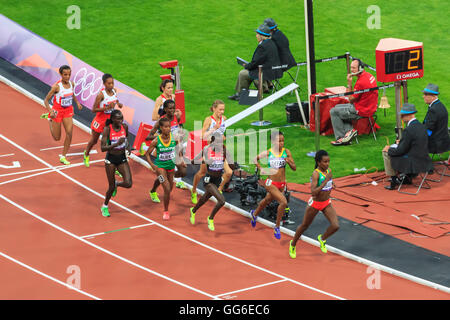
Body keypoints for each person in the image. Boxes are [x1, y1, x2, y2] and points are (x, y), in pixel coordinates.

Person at [289, 150, 339, 258]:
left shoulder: (328, 170)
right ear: (318, 162)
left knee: (335, 226)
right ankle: (293, 244)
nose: (327, 164)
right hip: (315, 204)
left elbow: (329, 179)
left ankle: (322, 238)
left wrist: (332, 183)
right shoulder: (315, 174)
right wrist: (326, 181)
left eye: (328, 161)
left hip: (326, 203)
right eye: (325, 162)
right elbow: (313, 192)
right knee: (304, 226)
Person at [249, 130, 296, 240]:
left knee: (267, 200)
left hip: (281, 184)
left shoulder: (287, 152)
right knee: (283, 202)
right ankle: (277, 226)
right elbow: (254, 158)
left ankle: (254, 214)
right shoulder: (269, 152)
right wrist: (261, 169)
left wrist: (288, 161)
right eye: (279, 141)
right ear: (273, 142)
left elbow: (294, 168)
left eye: (283, 141)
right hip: (271, 183)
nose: (281, 143)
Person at [141, 99, 188, 201]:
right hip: (164, 151)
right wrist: (161, 135)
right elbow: (149, 136)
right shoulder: (160, 121)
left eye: (173, 108)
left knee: (183, 172)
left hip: (174, 149)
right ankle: (153, 191)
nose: (172, 110)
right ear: (165, 109)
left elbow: (179, 128)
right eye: (170, 108)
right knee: (165, 176)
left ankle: (166, 177)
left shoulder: (177, 117)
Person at [382, 103, 433, 190]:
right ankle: (407, 178)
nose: (401, 117)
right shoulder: (422, 126)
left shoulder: (408, 130)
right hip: (424, 159)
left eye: (402, 115)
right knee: (395, 147)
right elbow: (415, 143)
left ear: (408, 115)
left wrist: (389, 149)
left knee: (386, 152)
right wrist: (401, 143)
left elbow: (401, 151)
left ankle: (393, 181)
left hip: (413, 162)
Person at [190, 100, 232, 204]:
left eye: (223, 109)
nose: (222, 112)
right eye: (220, 109)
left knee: (229, 172)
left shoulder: (224, 119)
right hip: (209, 149)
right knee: (202, 172)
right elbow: (203, 136)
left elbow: (221, 133)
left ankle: (219, 190)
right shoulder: (209, 120)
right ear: (214, 109)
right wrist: (213, 128)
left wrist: (222, 136)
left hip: (220, 149)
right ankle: (194, 191)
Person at [189, 133, 233, 231]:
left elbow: (231, 165)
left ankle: (193, 210)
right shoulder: (206, 150)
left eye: (221, 142)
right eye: (218, 142)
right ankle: (210, 218)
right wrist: (204, 161)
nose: (220, 144)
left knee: (204, 198)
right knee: (222, 201)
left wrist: (231, 162)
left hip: (217, 180)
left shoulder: (224, 150)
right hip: (208, 180)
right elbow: (193, 161)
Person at [329, 59, 378, 146]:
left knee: (333, 111)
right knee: (338, 107)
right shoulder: (370, 76)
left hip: (361, 110)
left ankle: (341, 138)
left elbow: (350, 99)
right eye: (351, 67)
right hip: (371, 107)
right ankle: (349, 133)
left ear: (360, 68)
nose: (351, 70)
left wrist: (349, 83)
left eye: (354, 68)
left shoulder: (360, 83)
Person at [228, 23, 283, 101]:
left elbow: (256, 62)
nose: (256, 36)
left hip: (265, 71)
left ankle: (241, 94)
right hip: (272, 69)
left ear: (261, 36)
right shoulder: (271, 43)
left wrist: (246, 66)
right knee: (247, 71)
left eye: (257, 34)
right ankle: (242, 93)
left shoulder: (263, 46)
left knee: (243, 73)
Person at [41, 65, 82, 165]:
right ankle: (50, 119)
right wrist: (50, 111)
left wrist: (77, 102)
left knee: (69, 133)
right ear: (60, 74)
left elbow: (72, 94)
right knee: (57, 138)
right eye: (65, 75)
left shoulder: (72, 84)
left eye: (69, 74)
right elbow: (46, 100)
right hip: (57, 112)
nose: (67, 77)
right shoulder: (56, 87)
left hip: (68, 111)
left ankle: (63, 156)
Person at [144, 117, 182, 220]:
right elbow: (146, 154)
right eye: (165, 127)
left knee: (170, 188)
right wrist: (152, 165)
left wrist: (180, 159)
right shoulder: (156, 141)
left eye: (169, 126)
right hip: (160, 167)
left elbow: (178, 148)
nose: (168, 128)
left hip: (170, 166)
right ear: (161, 128)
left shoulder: (174, 138)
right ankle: (166, 211)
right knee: (167, 188)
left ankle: (152, 190)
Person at [84, 74, 123, 168]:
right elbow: (93, 109)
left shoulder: (114, 91)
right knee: (94, 141)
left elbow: (115, 100)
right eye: (109, 83)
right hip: (100, 120)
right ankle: (86, 154)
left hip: (110, 121)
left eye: (112, 83)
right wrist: (105, 108)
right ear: (104, 84)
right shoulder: (101, 95)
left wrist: (118, 104)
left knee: (112, 142)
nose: (111, 85)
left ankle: (115, 164)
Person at [100, 109, 132, 217]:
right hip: (111, 159)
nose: (120, 120)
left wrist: (128, 147)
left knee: (128, 183)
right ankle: (105, 206)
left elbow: (127, 139)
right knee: (111, 187)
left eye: (121, 118)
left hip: (122, 158)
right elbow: (103, 148)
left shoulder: (125, 127)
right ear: (113, 119)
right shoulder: (107, 130)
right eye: (118, 118)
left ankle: (118, 184)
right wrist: (116, 144)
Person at [421, 83, 450, 155]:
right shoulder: (440, 105)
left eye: (425, 94)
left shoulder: (433, 110)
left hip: (435, 144)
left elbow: (428, 129)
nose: (423, 96)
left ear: (433, 96)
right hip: (443, 140)